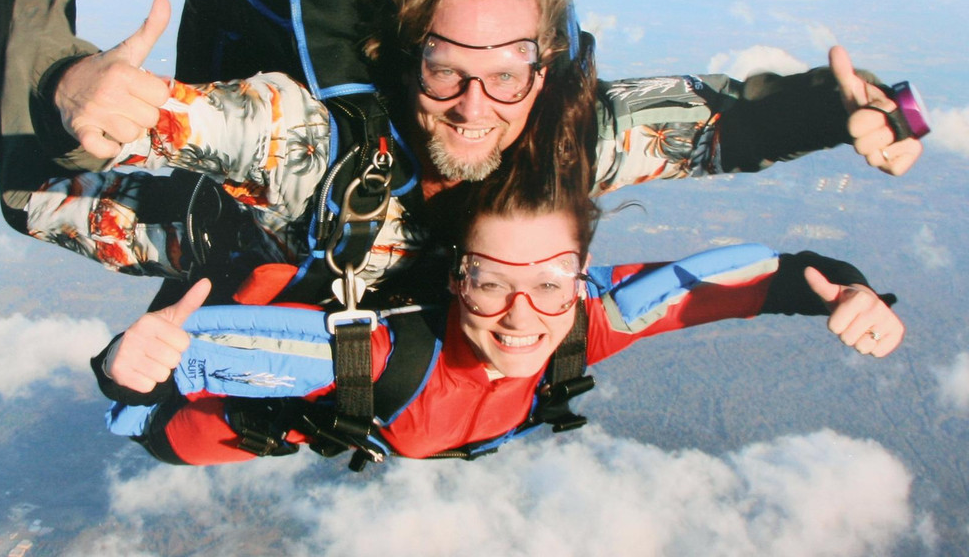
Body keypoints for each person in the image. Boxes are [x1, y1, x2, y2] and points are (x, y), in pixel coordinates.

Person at [0, 0, 923, 307]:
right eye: (445, 71)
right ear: (401, 62)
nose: (475, 105)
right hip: (235, 240)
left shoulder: (570, 139)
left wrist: (847, 111)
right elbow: (220, 123)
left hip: (386, 306)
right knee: (35, 198)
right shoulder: (316, 148)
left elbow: (722, 124)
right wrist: (78, 86)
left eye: (507, 72)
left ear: (544, 73)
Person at [90, 156, 905, 466]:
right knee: (192, 406)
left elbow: (778, 278)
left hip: (400, 416)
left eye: (551, 283)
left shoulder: (593, 318)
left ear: (582, 276)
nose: (522, 315)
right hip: (274, 412)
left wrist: (855, 289)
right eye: (490, 282)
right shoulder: (370, 356)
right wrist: (126, 374)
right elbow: (154, 386)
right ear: (455, 279)